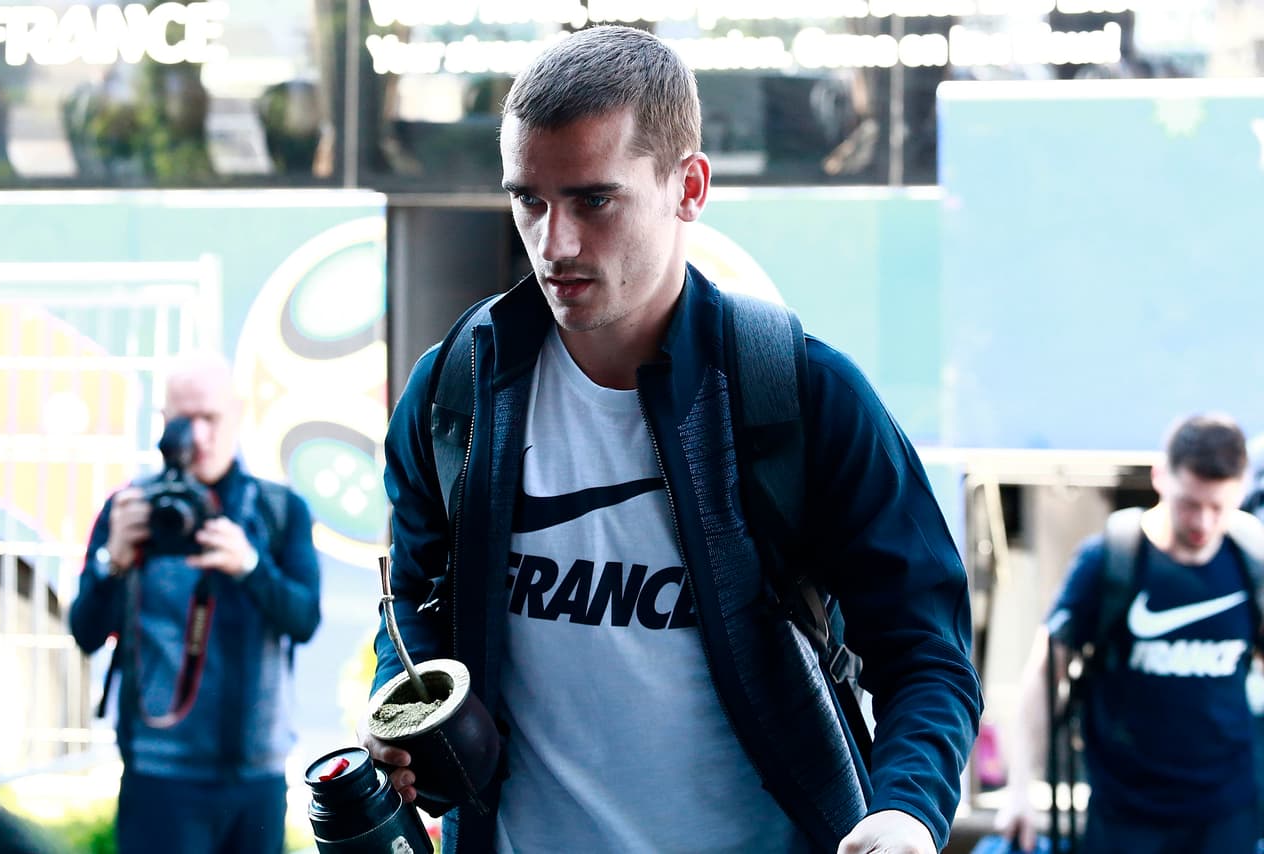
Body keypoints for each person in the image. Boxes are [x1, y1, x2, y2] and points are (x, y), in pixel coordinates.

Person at [364, 25, 981, 854]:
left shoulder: (801, 394)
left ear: (688, 186)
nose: (554, 244)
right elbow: (412, 607)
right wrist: (402, 719)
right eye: (529, 201)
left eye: (594, 199)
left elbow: (927, 653)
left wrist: (906, 813)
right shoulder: (453, 394)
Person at [69, 352, 322, 854]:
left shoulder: (277, 510)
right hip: (160, 772)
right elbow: (85, 632)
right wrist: (112, 561)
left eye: (210, 417)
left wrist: (251, 566)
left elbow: (304, 619)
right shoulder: (133, 509)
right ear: (163, 423)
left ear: (238, 415)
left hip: (257, 773)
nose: (198, 436)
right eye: (184, 419)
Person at [996, 413, 1262, 853]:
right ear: (1161, 477)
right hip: (1126, 817)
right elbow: (1042, 681)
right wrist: (1019, 789)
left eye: (1219, 507)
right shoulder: (1110, 560)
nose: (1204, 523)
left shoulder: (1250, 562)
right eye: (1190, 504)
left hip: (1226, 815)